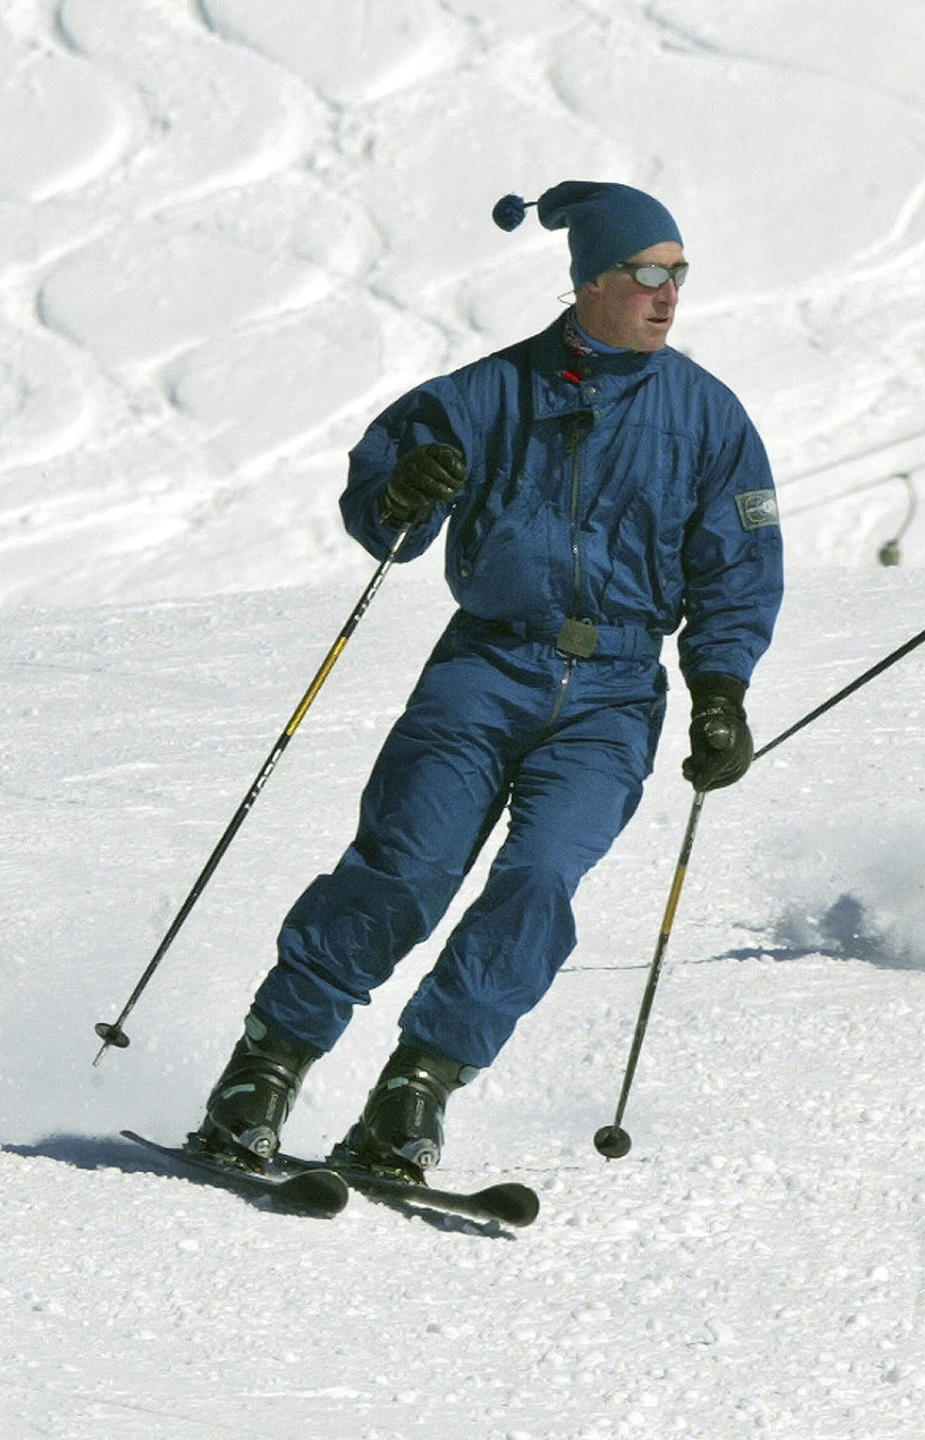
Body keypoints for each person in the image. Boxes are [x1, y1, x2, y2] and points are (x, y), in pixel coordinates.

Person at [193, 180, 784, 1179]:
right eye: (647, 273)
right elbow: (387, 506)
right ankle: (264, 1070)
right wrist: (402, 492)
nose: (668, 293)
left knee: (540, 881)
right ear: (592, 280)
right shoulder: (489, 392)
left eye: (679, 274)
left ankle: (413, 1097)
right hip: (485, 668)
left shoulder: (709, 417)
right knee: (404, 867)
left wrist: (720, 692)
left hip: (614, 695)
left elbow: (739, 565)